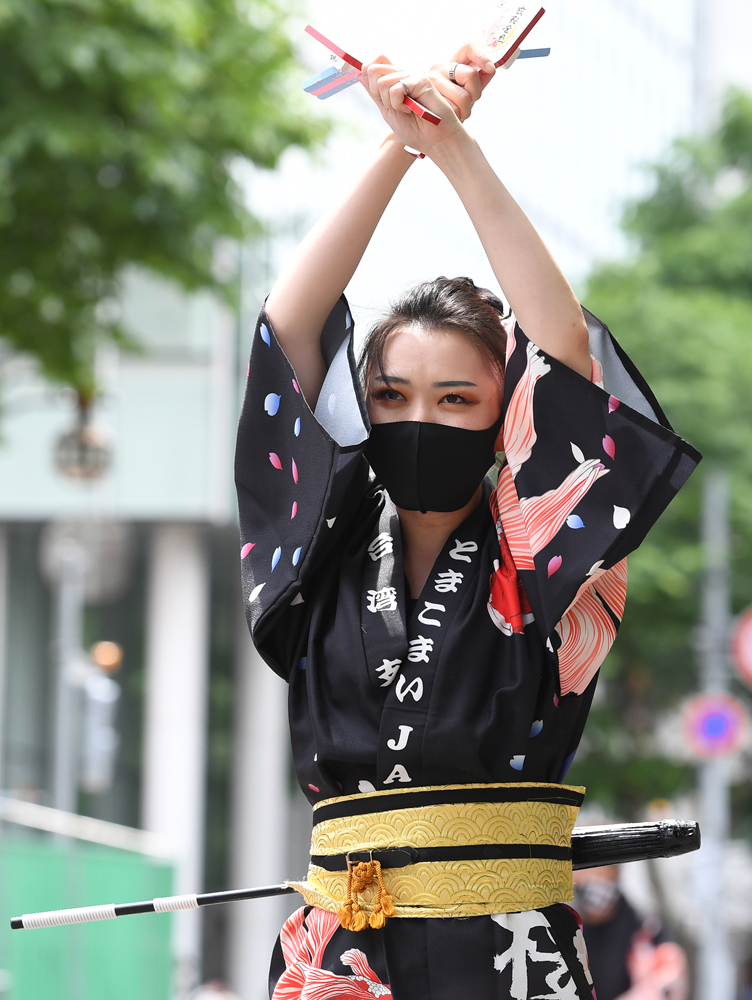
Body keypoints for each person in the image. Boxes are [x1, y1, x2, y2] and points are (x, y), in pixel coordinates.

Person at [234, 41, 700, 1000]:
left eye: (456, 399)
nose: (420, 419)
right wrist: (395, 147)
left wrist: (453, 148)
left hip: (511, 954)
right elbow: (287, 330)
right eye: (392, 395)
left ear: (505, 413)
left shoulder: (544, 551)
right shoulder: (320, 549)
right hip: (341, 959)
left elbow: (562, 351)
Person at [574, 866, 688, 1000]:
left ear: (617, 871)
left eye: (599, 869)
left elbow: (669, 979)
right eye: (584, 869)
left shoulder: (648, 930)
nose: (591, 876)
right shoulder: (564, 931)